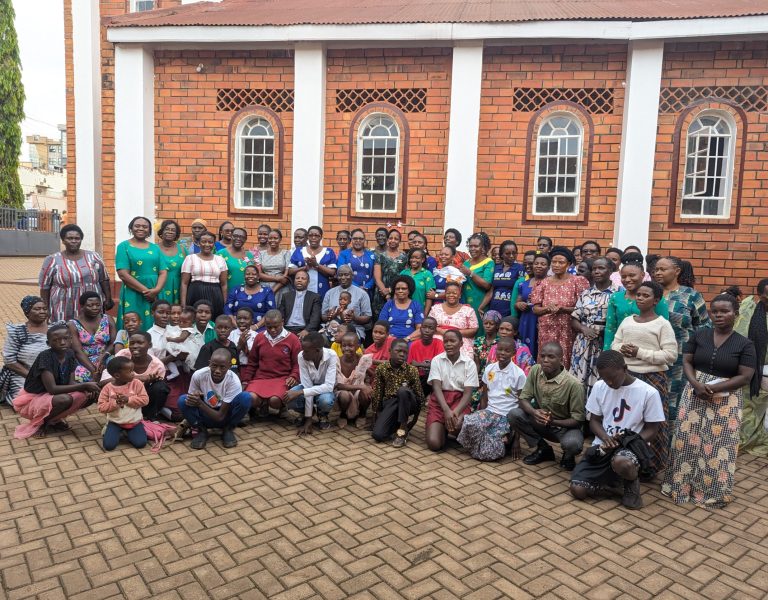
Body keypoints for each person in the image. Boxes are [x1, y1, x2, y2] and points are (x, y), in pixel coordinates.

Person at [662, 294, 755, 508]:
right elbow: (686, 360)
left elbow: (745, 376)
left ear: (736, 313)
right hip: (694, 392)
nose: (719, 315)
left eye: (725, 311)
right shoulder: (699, 335)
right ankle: (680, 487)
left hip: (726, 399)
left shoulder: (745, 344)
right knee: (686, 439)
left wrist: (712, 388)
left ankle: (710, 492)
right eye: (715, 311)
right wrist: (696, 384)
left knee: (717, 446)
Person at [569, 350, 665, 510]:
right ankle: (613, 482)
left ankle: (630, 484)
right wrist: (606, 438)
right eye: (605, 379)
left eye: (612, 378)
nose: (610, 383)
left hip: (630, 449)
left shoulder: (648, 393)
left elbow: (652, 431)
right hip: (604, 447)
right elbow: (594, 421)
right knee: (577, 490)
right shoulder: (600, 387)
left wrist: (627, 441)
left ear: (625, 368)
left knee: (622, 462)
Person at [611, 281, 677, 476]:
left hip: (653, 378)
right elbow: (615, 343)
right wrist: (621, 349)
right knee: (630, 420)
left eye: (645, 295)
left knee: (653, 422)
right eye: (638, 295)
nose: (640, 298)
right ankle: (624, 460)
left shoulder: (662, 324)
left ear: (656, 300)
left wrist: (640, 352)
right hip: (627, 377)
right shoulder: (627, 321)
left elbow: (671, 355)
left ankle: (651, 466)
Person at [13, 324, 100, 439]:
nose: (62, 342)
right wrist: (84, 385)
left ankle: (54, 420)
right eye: (56, 340)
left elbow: (71, 383)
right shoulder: (45, 357)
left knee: (89, 396)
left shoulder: (69, 354)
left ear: (71, 340)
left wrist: (85, 389)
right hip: (35, 397)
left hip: (53, 395)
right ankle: (42, 423)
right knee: (65, 399)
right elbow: (52, 389)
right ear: (48, 344)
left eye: (65, 338)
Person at [507, 342, 585, 470]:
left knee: (572, 444)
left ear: (561, 359)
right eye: (542, 356)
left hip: (564, 428)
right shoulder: (536, 370)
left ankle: (568, 455)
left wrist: (553, 422)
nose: (545, 360)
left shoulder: (574, 385)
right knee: (514, 414)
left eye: (551, 357)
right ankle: (543, 448)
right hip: (541, 422)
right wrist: (534, 413)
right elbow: (523, 399)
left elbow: (578, 420)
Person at [654, 256, 711, 423]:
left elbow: (705, 327)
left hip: (680, 359)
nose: (658, 273)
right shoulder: (648, 293)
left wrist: (697, 355)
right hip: (651, 356)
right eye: (656, 269)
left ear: (677, 271)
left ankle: (673, 443)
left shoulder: (690, 295)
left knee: (675, 400)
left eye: (662, 269)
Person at [457, 337, 527, 461]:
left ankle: (507, 438)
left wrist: (517, 440)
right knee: (469, 423)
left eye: (507, 351)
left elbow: (521, 406)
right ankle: (498, 438)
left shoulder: (519, 374)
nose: (502, 353)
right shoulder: (490, 369)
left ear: (513, 353)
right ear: (495, 350)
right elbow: (485, 396)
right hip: (490, 412)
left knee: (490, 454)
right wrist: (482, 418)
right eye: (500, 349)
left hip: (506, 416)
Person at [39, 223, 113, 323]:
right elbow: (45, 287)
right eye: (70, 238)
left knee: (93, 332)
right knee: (65, 333)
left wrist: (108, 298)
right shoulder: (52, 260)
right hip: (64, 306)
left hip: (92, 305)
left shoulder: (93, 256)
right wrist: (45, 308)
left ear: (81, 240)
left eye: (77, 238)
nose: (74, 241)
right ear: (63, 240)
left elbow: (104, 279)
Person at [179, 349, 253, 449]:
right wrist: (196, 396)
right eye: (214, 366)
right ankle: (201, 430)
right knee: (183, 400)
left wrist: (200, 403)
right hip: (206, 415)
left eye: (222, 367)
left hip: (225, 416)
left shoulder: (233, 381)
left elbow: (220, 417)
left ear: (229, 366)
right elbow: (192, 399)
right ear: (209, 363)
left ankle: (228, 429)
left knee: (246, 397)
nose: (217, 371)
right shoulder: (199, 375)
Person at [530, 247, 589, 369]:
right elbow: (535, 309)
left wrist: (563, 309)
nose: (556, 265)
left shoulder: (577, 281)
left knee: (565, 359)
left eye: (561, 262)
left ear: (569, 264)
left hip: (567, 330)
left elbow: (583, 308)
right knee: (546, 360)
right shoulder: (543, 283)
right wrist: (547, 309)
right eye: (554, 262)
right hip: (546, 330)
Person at [569, 257, 619, 397]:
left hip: (605, 343)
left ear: (611, 270)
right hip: (583, 344)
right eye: (594, 269)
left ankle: (595, 416)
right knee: (578, 380)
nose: (597, 271)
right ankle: (579, 414)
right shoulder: (586, 293)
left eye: (601, 268)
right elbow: (574, 319)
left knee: (601, 380)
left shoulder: (619, 293)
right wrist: (584, 329)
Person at [425, 330, 479, 452]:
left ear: (461, 343)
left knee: (457, 425)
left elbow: (468, 393)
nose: (448, 344)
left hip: (459, 402)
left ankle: (447, 428)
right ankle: (441, 428)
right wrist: (446, 410)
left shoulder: (469, 364)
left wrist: (455, 412)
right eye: (446, 341)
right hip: (440, 402)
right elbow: (437, 388)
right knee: (434, 444)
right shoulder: (437, 360)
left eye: (452, 341)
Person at [241, 310, 301, 418]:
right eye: (269, 327)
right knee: (250, 398)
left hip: (282, 378)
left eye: (276, 326)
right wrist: (246, 381)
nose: (272, 330)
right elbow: (253, 362)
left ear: (282, 322)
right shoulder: (259, 337)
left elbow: (297, 363)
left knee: (275, 400)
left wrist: (293, 376)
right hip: (261, 377)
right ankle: (261, 405)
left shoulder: (293, 339)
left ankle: (281, 407)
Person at [603, 256, 669, 350]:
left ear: (643, 275)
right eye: (623, 276)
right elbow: (610, 328)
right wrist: (607, 352)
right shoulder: (616, 297)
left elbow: (664, 327)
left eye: (632, 275)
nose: (627, 280)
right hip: (620, 350)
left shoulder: (656, 297)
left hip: (648, 351)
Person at [115, 216, 168, 330]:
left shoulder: (155, 248)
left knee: (156, 324)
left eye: (145, 227)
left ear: (149, 230)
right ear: (131, 228)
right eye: (137, 226)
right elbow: (123, 274)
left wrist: (156, 290)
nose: (141, 229)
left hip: (155, 291)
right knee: (133, 323)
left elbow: (163, 271)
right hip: (133, 292)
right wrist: (146, 292)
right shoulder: (123, 246)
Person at [734, 279, 768, 455]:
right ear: (760, 296)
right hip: (751, 368)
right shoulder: (748, 311)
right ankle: (746, 438)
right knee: (749, 405)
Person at [370, 338, 425, 447]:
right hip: (391, 403)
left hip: (408, 403)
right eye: (398, 351)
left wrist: (413, 421)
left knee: (403, 391)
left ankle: (402, 431)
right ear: (390, 351)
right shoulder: (382, 369)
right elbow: (378, 394)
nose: (402, 354)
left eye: (405, 352)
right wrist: (377, 416)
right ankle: (396, 424)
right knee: (378, 435)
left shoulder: (412, 370)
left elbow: (420, 397)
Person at [284, 332, 337, 435]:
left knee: (325, 400)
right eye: (303, 350)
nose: (303, 353)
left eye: (306, 351)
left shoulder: (331, 355)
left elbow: (329, 387)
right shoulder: (301, 357)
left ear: (317, 351)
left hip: (325, 390)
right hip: (308, 387)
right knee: (289, 396)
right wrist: (309, 419)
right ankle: (306, 413)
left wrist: (300, 392)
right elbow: (307, 386)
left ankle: (322, 414)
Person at [1, 296, 50, 406]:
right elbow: (9, 360)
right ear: (27, 312)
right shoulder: (18, 331)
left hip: (51, 374)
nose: (42, 311)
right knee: (25, 402)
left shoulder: (55, 329)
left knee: (61, 397)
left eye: (44, 308)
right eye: (37, 309)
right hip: (24, 375)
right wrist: (33, 377)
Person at [108, 331, 169, 420]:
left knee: (161, 387)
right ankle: (117, 417)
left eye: (140, 343)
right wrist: (141, 378)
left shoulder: (157, 366)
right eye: (132, 343)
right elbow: (104, 382)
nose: (135, 346)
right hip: (121, 399)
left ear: (150, 345)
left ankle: (150, 417)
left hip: (143, 401)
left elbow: (157, 391)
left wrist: (147, 383)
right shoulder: (122, 356)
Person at [98, 356, 149, 451]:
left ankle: (130, 431)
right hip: (115, 422)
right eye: (130, 371)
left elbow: (145, 400)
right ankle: (113, 429)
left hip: (134, 421)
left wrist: (128, 400)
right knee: (108, 446)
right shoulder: (108, 388)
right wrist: (115, 403)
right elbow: (101, 407)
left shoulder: (137, 383)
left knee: (140, 443)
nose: (133, 374)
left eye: (133, 370)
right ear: (117, 375)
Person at [68, 291, 116, 383]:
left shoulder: (107, 319)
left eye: (98, 305)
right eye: (90, 305)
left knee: (117, 369)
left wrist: (104, 356)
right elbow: (78, 351)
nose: (95, 308)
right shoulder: (73, 324)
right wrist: (94, 370)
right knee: (82, 376)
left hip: (106, 356)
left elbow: (113, 343)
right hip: (84, 361)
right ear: (82, 306)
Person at [180, 230, 229, 318]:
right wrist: (183, 304)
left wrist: (225, 303)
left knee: (214, 320)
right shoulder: (190, 258)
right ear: (199, 243)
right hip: (195, 292)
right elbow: (184, 283)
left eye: (210, 242)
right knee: (195, 320)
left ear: (214, 244)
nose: (207, 244)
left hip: (215, 294)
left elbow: (224, 284)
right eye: (203, 241)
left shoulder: (220, 259)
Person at [510, 252, 549, 360]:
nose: (539, 266)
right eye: (536, 263)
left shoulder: (550, 282)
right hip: (526, 320)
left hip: (542, 320)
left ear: (548, 267)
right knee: (525, 349)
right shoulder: (524, 283)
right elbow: (517, 302)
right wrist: (519, 304)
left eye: (543, 264)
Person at [321, 264, 373, 341]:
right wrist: (330, 316)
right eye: (340, 275)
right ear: (337, 277)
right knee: (320, 339)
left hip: (353, 328)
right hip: (332, 327)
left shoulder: (362, 293)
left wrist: (354, 318)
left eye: (346, 275)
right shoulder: (330, 293)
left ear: (352, 276)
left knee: (346, 339)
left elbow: (368, 317)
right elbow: (323, 316)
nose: (343, 277)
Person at [335, 332, 374, 429]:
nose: (347, 348)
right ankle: (343, 414)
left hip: (357, 392)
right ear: (340, 347)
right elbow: (339, 385)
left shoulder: (362, 360)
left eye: (351, 346)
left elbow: (371, 374)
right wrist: (361, 386)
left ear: (358, 347)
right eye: (344, 346)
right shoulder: (337, 361)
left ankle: (362, 414)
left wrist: (368, 384)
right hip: (342, 392)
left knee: (365, 392)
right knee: (344, 394)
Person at [429, 281, 478, 355]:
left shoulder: (468, 310)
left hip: (461, 340)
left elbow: (474, 330)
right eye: (448, 293)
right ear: (445, 294)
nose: (451, 295)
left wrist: (453, 334)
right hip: (438, 339)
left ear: (460, 295)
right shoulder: (435, 308)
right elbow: (429, 325)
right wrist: (443, 332)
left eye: (454, 293)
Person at [289, 225, 337, 300]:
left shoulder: (328, 252)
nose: (313, 238)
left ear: (321, 237)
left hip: (322, 290)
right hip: (301, 291)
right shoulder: (299, 251)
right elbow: (290, 271)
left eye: (317, 235)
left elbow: (332, 272)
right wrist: (305, 268)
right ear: (307, 237)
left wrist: (316, 265)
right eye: (311, 235)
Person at [459, 232, 494, 333]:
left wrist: (470, 273)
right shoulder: (466, 263)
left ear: (482, 247)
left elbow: (487, 285)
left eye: (476, 246)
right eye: (470, 246)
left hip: (480, 304)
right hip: (465, 303)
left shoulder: (488, 262)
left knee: (479, 331)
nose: (473, 249)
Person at [223, 265, 275, 330]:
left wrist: (255, 327)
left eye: (254, 274)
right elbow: (227, 310)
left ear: (258, 277)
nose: (250, 276)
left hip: (259, 329)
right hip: (236, 328)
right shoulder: (236, 290)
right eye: (247, 274)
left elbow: (270, 312)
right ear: (244, 276)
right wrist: (237, 327)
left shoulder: (267, 291)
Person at [372, 229, 408, 317]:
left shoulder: (404, 257)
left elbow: (405, 277)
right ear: (387, 240)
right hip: (380, 293)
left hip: (398, 293)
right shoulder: (380, 256)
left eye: (396, 238)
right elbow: (377, 278)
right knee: (380, 320)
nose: (393, 240)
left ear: (399, 241)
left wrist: (392, 291)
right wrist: (385, 292)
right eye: (391, 238)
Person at [378, 276, 424, 342]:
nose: (400, 291)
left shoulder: (416, 305)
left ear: (409, 290)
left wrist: (406, 339)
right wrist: (391, 339)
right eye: (397, 289)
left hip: (410, 340)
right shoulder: (389, 304)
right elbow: (381, 326)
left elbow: (420, 329)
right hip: (389, 340)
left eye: (404, 288)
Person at [407, 316, 444, 396]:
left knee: (430, 375)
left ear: (435, 331)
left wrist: (419, 364)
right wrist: (428, 365)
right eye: (424, 327)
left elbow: (440, 365)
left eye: (430, 328)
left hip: (434, 379)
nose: (427, 331)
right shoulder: (414, 345)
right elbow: (410, 364)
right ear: (420, 329)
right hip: (418, 378)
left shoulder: (439, 343)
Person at [488, 240, 525, 318]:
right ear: (501, 255)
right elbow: (490, 290)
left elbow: (521, 289)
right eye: (508, 253)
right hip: (494, 307)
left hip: (510, 309)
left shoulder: (520, 268)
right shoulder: (496, 267)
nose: (511, 256)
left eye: (514, 253)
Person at [279, 270, 322, 337]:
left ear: (308, 282)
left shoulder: (315, 297)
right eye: (297, 278)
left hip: (304, 329)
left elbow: (315, 318)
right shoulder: (286, 296)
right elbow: (281, 315)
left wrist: (307, 330)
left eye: (303, 278)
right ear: (294, 281)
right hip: (286, 329)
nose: (299, 280)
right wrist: (282, 329)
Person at [156, 219, 187, 305]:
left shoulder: (183, 250)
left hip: (178, 287)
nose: (170, 232)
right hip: (159, 287)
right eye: (167, 229)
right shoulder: (154, 249)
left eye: (173, 230)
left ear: (176, 234)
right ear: (162, 231)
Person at [257, 229, 292, 303]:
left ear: (280, 239)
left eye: (275, 238)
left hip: (281, 287)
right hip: (265, 287)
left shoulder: (286, 253)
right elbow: (259, 274)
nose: (272, 240)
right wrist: (278, 279)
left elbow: (285, 276)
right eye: (270, 238)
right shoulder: (261, 254)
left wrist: (273, 290)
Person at [400, 249, 436, 314]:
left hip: (419, 312)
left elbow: (429, 297)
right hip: (402, 311)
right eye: (411, 258)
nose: (413, 260)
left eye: (417, 258)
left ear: (422, 260)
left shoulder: (427, 274)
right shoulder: (403, 273)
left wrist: (425, 315)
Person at [165, 307, 198, 372]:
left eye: (185, 322)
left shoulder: (187, 330)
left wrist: (170, 339)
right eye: (180, 321)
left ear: (192, 322)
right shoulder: (183, 327)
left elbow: (181, 339)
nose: (181, 324)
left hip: (187, 347)